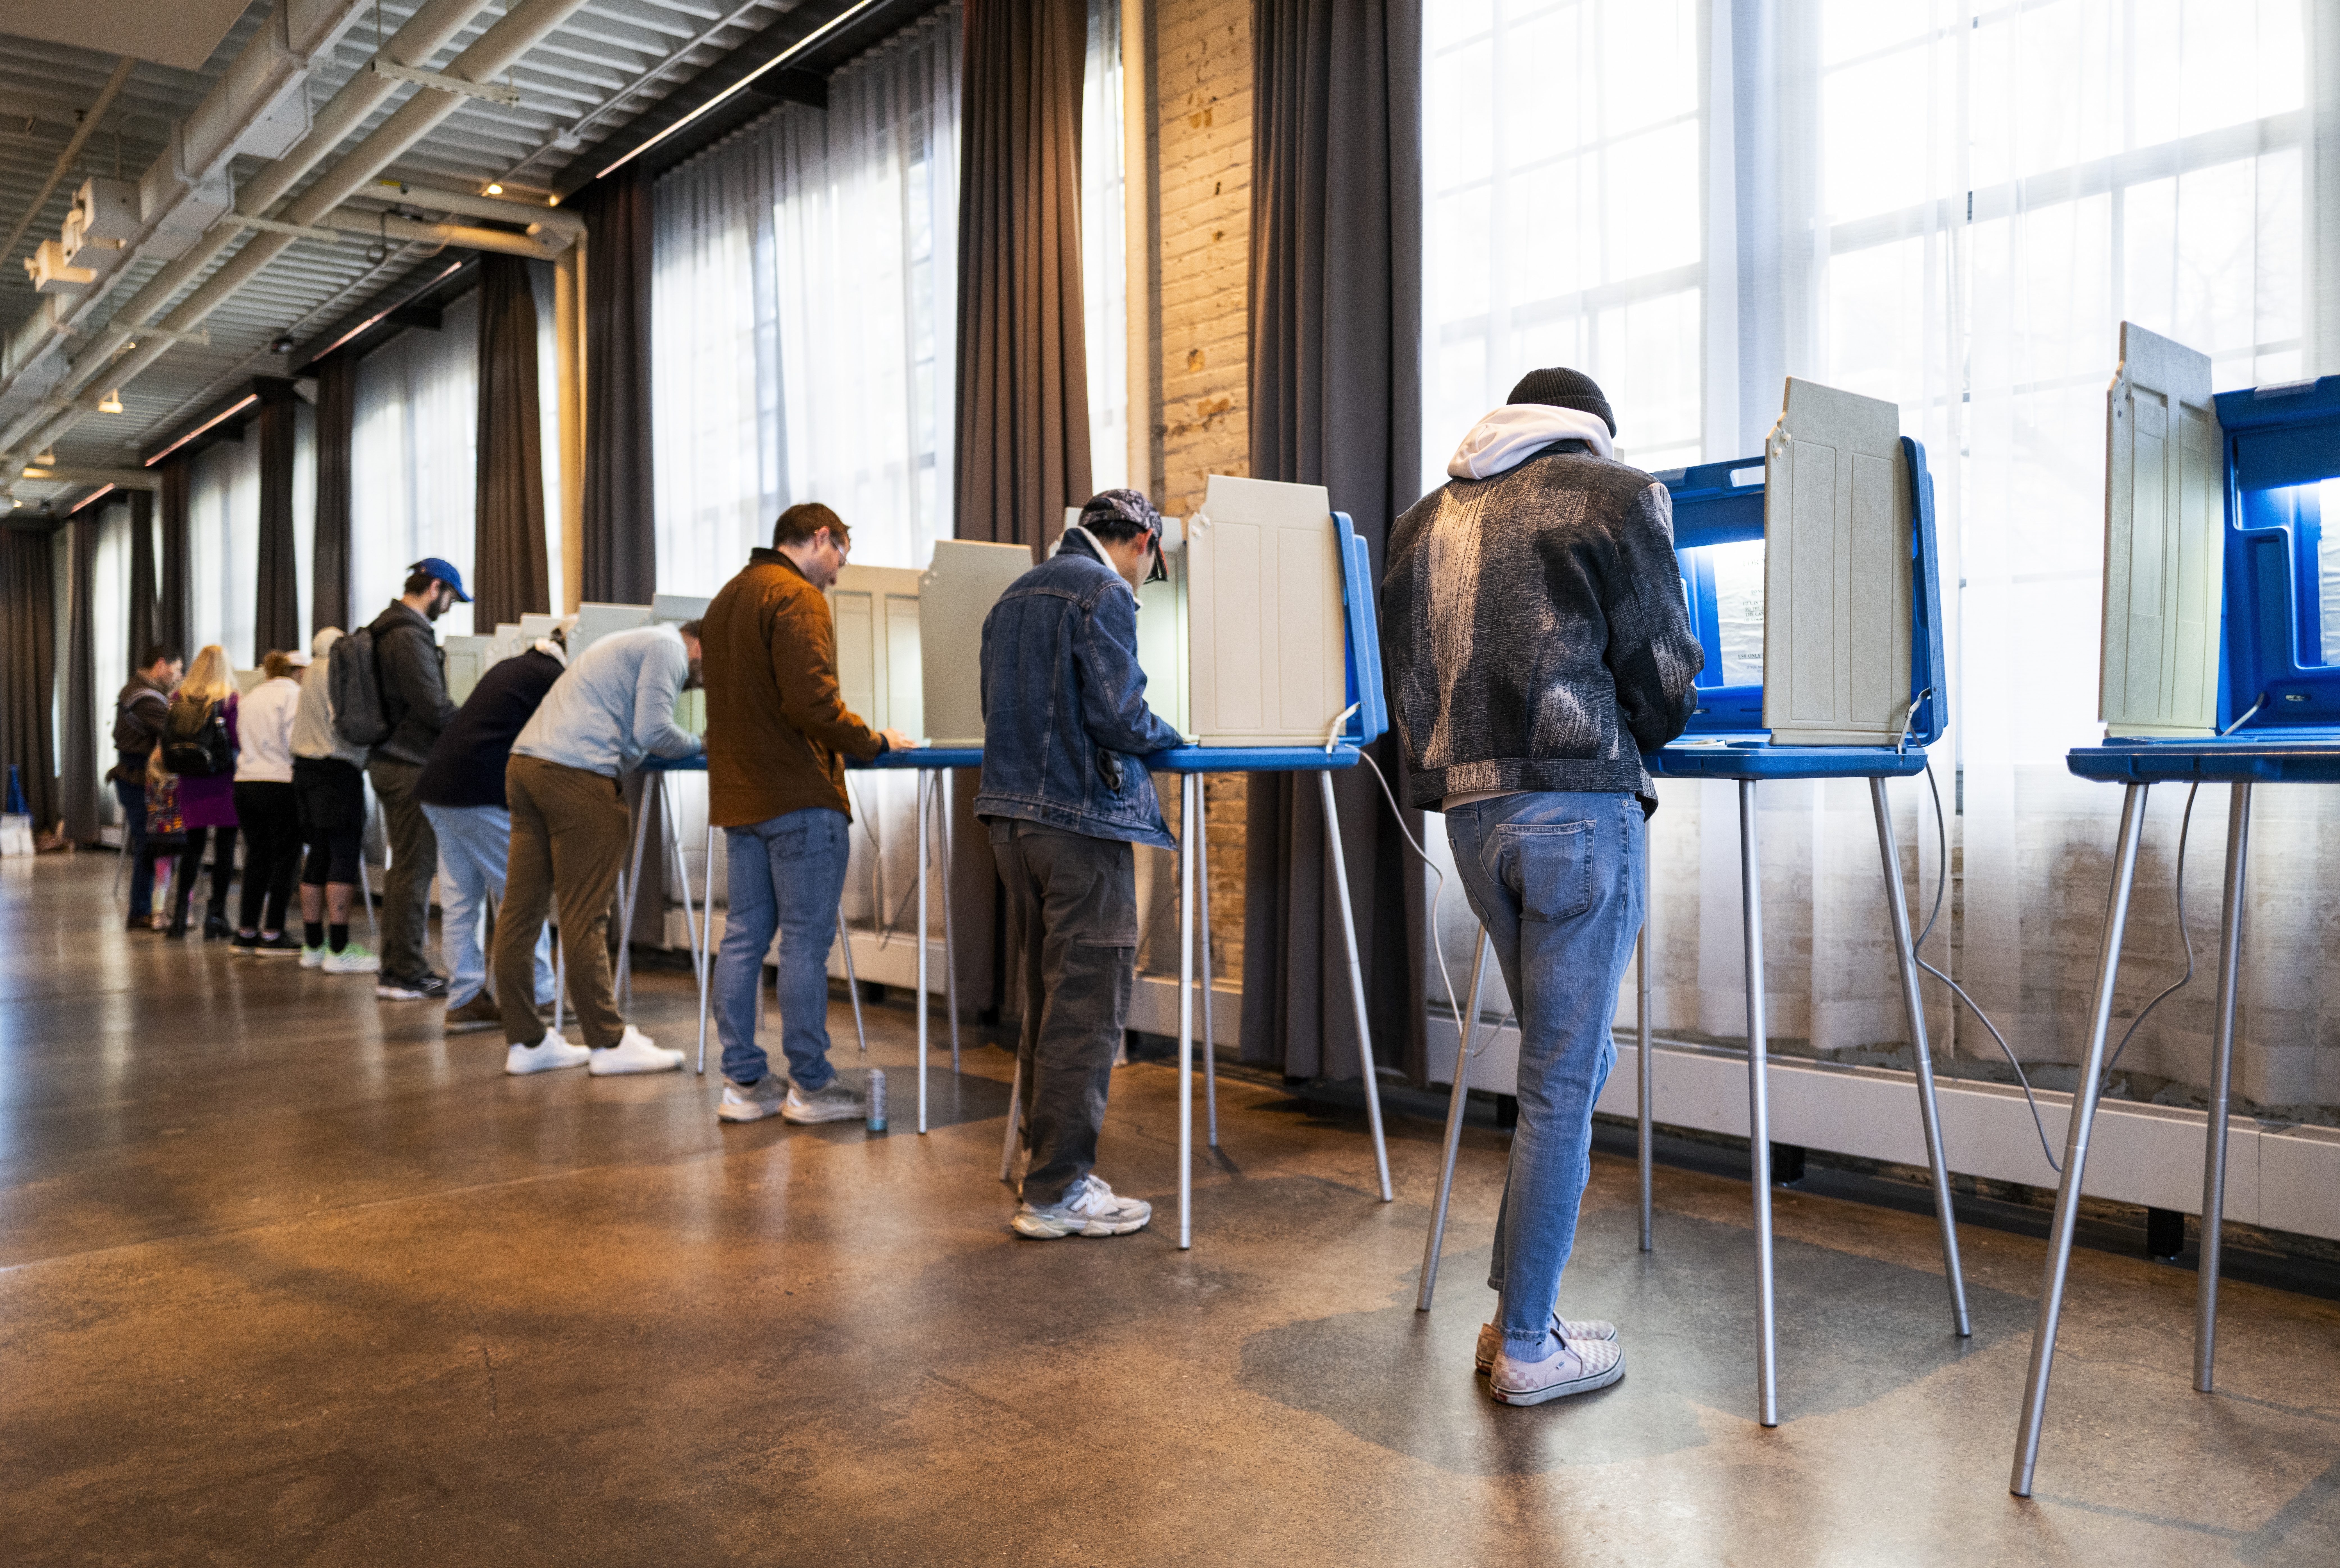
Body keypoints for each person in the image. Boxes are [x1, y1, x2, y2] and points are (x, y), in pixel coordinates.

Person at [1381, 366, 1704, 1407]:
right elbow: (1664, 672)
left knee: (1565, 1069)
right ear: (1593, 431)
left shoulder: (1422, 520)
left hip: (1472, 820)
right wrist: (1633, 734)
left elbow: (1409, 689)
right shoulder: (1619, 492)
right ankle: (1526, 1341)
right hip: (1577, 808)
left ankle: (1523, 1308)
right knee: (1562, 1083)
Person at [976, 488, 1185, 1239]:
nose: (1142, 579)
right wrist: (1174, 733)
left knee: (1047, 1003)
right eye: (1148, 564)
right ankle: (1058, 1191)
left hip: (1009, 825)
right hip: (1076, 827)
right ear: (1138, 541)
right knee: (1087, 1011)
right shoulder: (1101, 591)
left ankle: (1048, 1172)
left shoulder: (1013, 595)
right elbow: (1118, 714)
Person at [702, 503, 915, 1125]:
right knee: (803, 945)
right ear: (822, 537)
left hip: (740, 800)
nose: (840, 573)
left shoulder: (725, 600)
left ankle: (743, 1083)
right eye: (842, 555)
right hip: (798, 797)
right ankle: (812, 1086)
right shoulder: (795, 597)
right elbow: (812, 703)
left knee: (742, 938)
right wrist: (872, 741)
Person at [490, 618, 705, 1076]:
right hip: (577, 774)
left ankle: (526, 1041)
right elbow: (654, 731)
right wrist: (702, 744)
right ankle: (607, 1041)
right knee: (586, 915)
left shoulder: (627, 639)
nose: (700, 683)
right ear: (701, 645)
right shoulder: (668, 649)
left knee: (520, 912)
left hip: (526, 766)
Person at [416, 629, 565, 1034]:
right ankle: (543, 994)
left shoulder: (512, 667)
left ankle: (465, 1000)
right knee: (523, 894)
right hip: (478, 792)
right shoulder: (554, 678)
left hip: (438, 788)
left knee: (461, 900)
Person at [365, 559, 467, 1001]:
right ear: (436, 588)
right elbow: (433, 707)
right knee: (414, 868)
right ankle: (405, 971)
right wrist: (479, 724)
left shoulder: (387, 630)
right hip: (409, 765)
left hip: (392, 760)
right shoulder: (408, 636)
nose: (450, 608)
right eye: (451, 599)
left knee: (405, 867)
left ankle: (398, 967)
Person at [292, 628, 380, 974]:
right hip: (336, 769)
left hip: (304, 770)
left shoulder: (310, 671)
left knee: (317, 854)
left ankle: (313, 944)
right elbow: (347, 722)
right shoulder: (337, 670)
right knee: (344, 853)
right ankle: (340, 948)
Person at [160, 645, 241, 940]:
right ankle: (216, 916)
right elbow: (237, 740)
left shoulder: (178, 699)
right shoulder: (230, 700)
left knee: (192, 849)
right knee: (225, 850)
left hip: (190, 782)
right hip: (223, 783)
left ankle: (180, 916)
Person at [228, 650, 306, 955]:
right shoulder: (294, 696)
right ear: (299, 672)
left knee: (256, 857)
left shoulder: (249, 697)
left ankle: (246, 931)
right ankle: (273, 933)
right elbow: (294, 741)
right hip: (280, 782)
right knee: (285, 859)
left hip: (245, 782)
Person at [109, 644, 181, 931]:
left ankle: (146, 909)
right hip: (138, 778)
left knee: (148, 844)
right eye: (176, 670)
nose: (177, 676)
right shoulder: (147, 698)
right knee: (149, 845)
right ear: (161, 665)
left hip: (133, 777)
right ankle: (140, 911)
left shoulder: (137, 690)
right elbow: (174, 730)